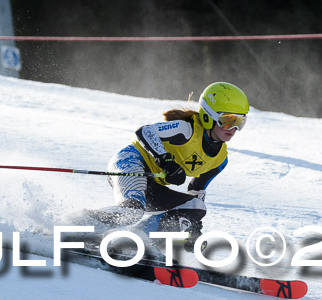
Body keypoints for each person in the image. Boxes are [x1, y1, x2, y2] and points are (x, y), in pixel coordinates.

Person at [86, 81, 249, 252]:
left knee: (197, 207)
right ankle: (77, 225)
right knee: (132, 210)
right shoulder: (187, 129)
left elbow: (197, 190)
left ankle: (133, 241)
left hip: (152, 184)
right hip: (130, 162)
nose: (234, 128)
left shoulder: (220, 159)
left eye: (240, 121)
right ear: (209, 116)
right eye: (228, 120)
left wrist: (192, 227)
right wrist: (166, 161)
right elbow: (145, 131)